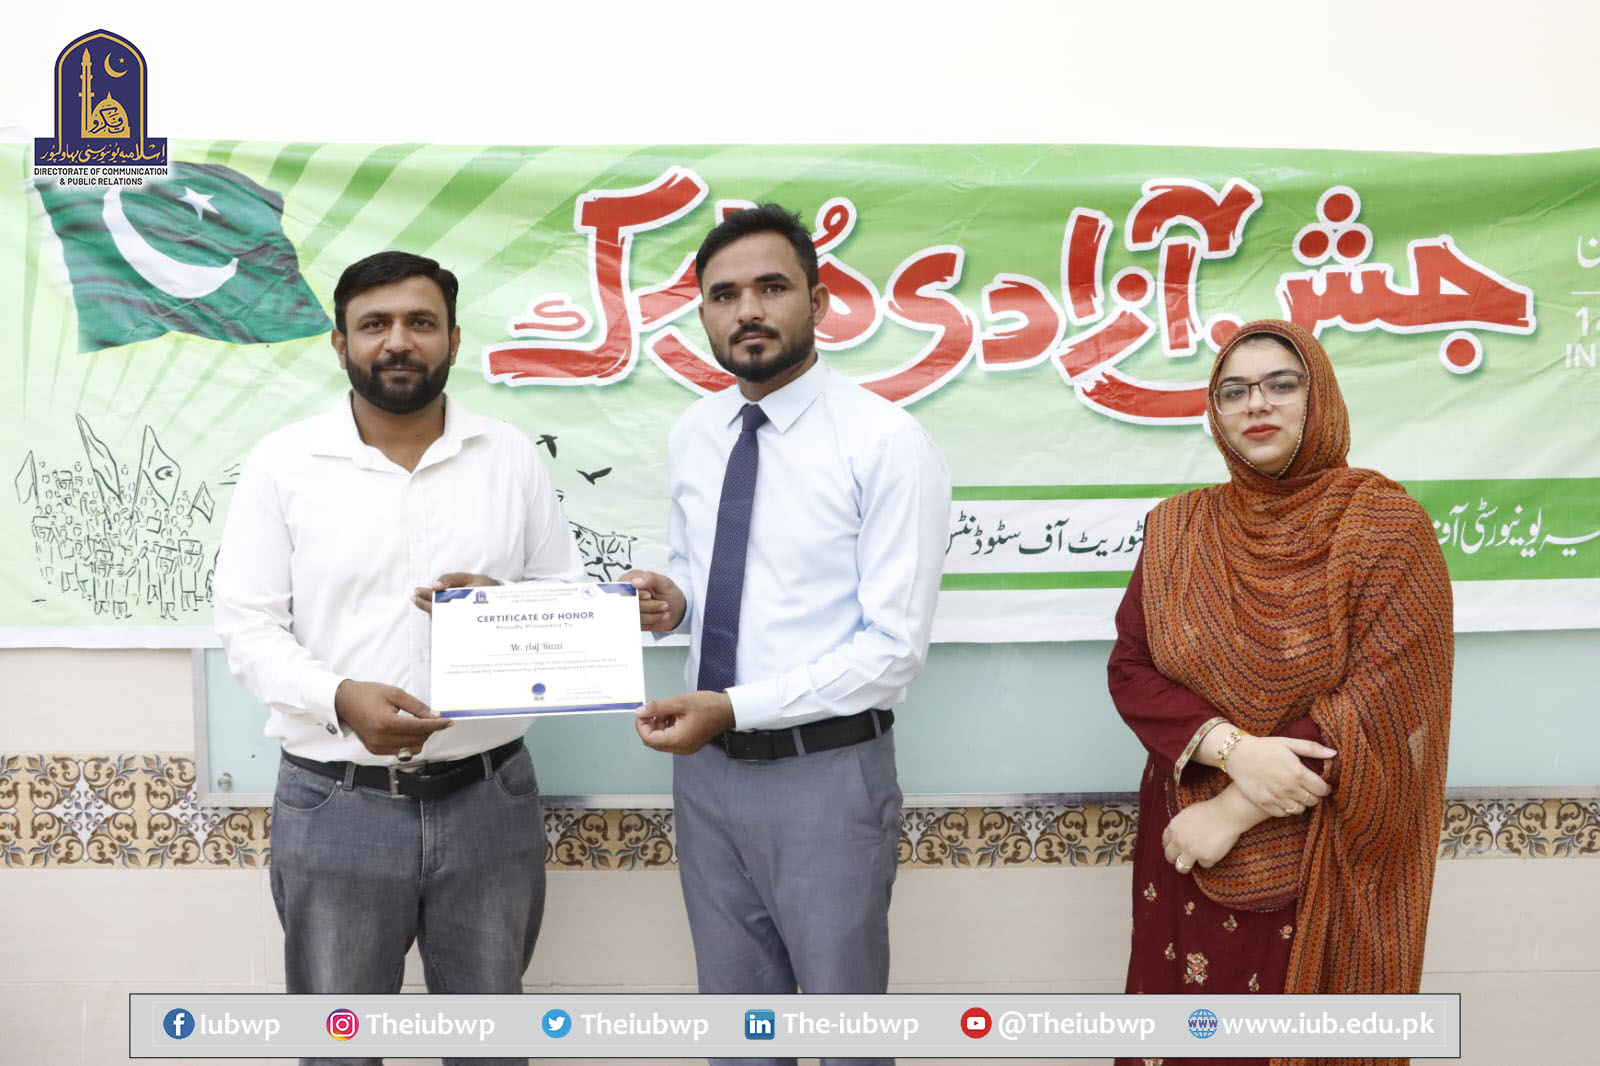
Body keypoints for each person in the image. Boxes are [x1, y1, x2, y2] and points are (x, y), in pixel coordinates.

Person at [214, 251, 583, 1066]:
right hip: (335, 802)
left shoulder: (509, 455)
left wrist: (506, 606)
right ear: (339, 343)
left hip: (489, 797)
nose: (398, 341)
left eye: (420, 322)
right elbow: (247, 626)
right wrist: (341, 697)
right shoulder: (284, 463)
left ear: (454, 338)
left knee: (490, 1049)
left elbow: (568, 595)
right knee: (339, 1048)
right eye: (374, 324)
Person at [624, 204, 950, 1066]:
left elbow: (892, 650)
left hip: (825, 777)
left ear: (820, 300)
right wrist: (674, 602)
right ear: (703, 314)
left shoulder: (886, 443)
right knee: (738, 1035)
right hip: (707, 777)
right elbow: (705, 574)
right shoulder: (697, 433)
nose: (748, 311)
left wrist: (731, 707)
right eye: (724, 295)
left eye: (772, 288)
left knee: (846, 1039)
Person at [1107, 319, 1453, 1066]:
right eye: (1233, 392)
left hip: (1323, 846)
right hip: (1186, 842)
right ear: (1215, 413)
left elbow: (1384, 699)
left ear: (1318, 396)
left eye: (1280, 384)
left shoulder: (1386, 527)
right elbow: (1132, 668)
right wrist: (1232, 752)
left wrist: (1235, 809)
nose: (1256, 404)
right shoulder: (1177, 529)